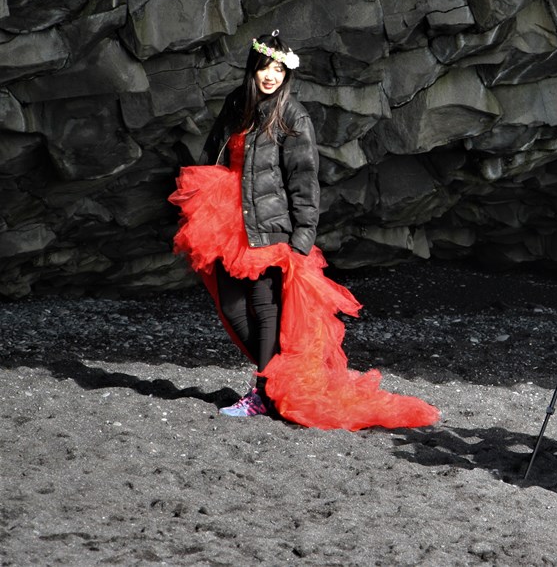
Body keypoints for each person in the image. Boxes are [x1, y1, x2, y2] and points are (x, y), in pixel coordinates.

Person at [168, 31, 439, 430]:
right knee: (231, 307)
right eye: (266, 67)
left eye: (279, 69)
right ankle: (281, 381)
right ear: (254, 68)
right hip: (228, 221)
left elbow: (305, 182)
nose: (271, 76)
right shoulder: (235, 105)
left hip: (272, 228)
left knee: (265, 310)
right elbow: (213, 157)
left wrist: (301, 240)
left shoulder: (293, 117)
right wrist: (201, 205)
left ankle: (263, 393)